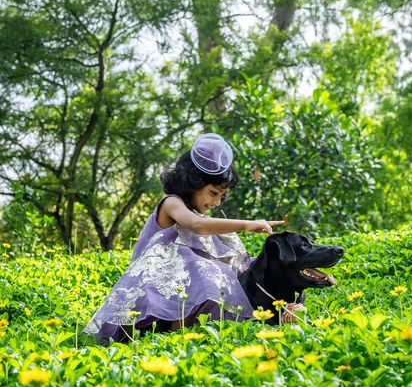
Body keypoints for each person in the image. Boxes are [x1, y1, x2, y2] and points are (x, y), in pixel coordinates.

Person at [83, 133, 285, 344]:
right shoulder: (172, 203)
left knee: (217, 268)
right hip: (153, 284)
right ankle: (176, 338)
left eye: (221, 197)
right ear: (192, 183)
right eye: (212, 193)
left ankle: (194, 335)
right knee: (197, 266)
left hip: (180, 285)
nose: (216, 202)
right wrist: (246, 224)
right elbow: (197, 226)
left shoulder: (199, 212)